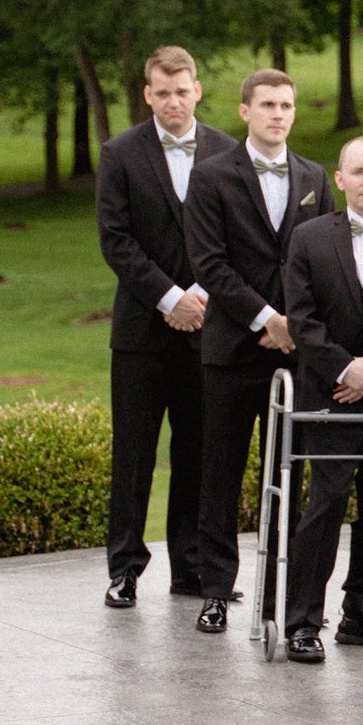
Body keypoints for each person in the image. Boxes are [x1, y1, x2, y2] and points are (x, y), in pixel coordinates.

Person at [184, 68, 332, 635]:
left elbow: (325, 260)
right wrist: (265, 318)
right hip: (231, 347)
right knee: (219, 471)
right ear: (245, 111)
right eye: (267, 104)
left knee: (288, 473)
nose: (278, 114)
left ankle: (282, 590)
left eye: (286, 105)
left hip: (296, 351)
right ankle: (216, 589)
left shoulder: (315, 175)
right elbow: (209, 263)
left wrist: (296, 324)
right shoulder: (212, 176)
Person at [94, 45, 237, 608]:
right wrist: (169, 297)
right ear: (148, 95)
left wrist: (203, 294)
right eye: (163, 92)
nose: (174, 100)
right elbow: (116, 240)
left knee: (199, 452)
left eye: (183, 90)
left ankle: (193, 568)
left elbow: (234, 239)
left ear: (197, 90)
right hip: (140, 334)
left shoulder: (228, 151)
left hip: (209, 329)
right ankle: (125, 568)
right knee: (133, 453)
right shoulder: (120, 154)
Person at [280, 134, 363, 663]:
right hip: (329, 395)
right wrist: (344, 367)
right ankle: (302, 620)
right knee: (326, 502)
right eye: (356, 172)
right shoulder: (309, 238)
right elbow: (302, 317)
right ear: (339, 180)